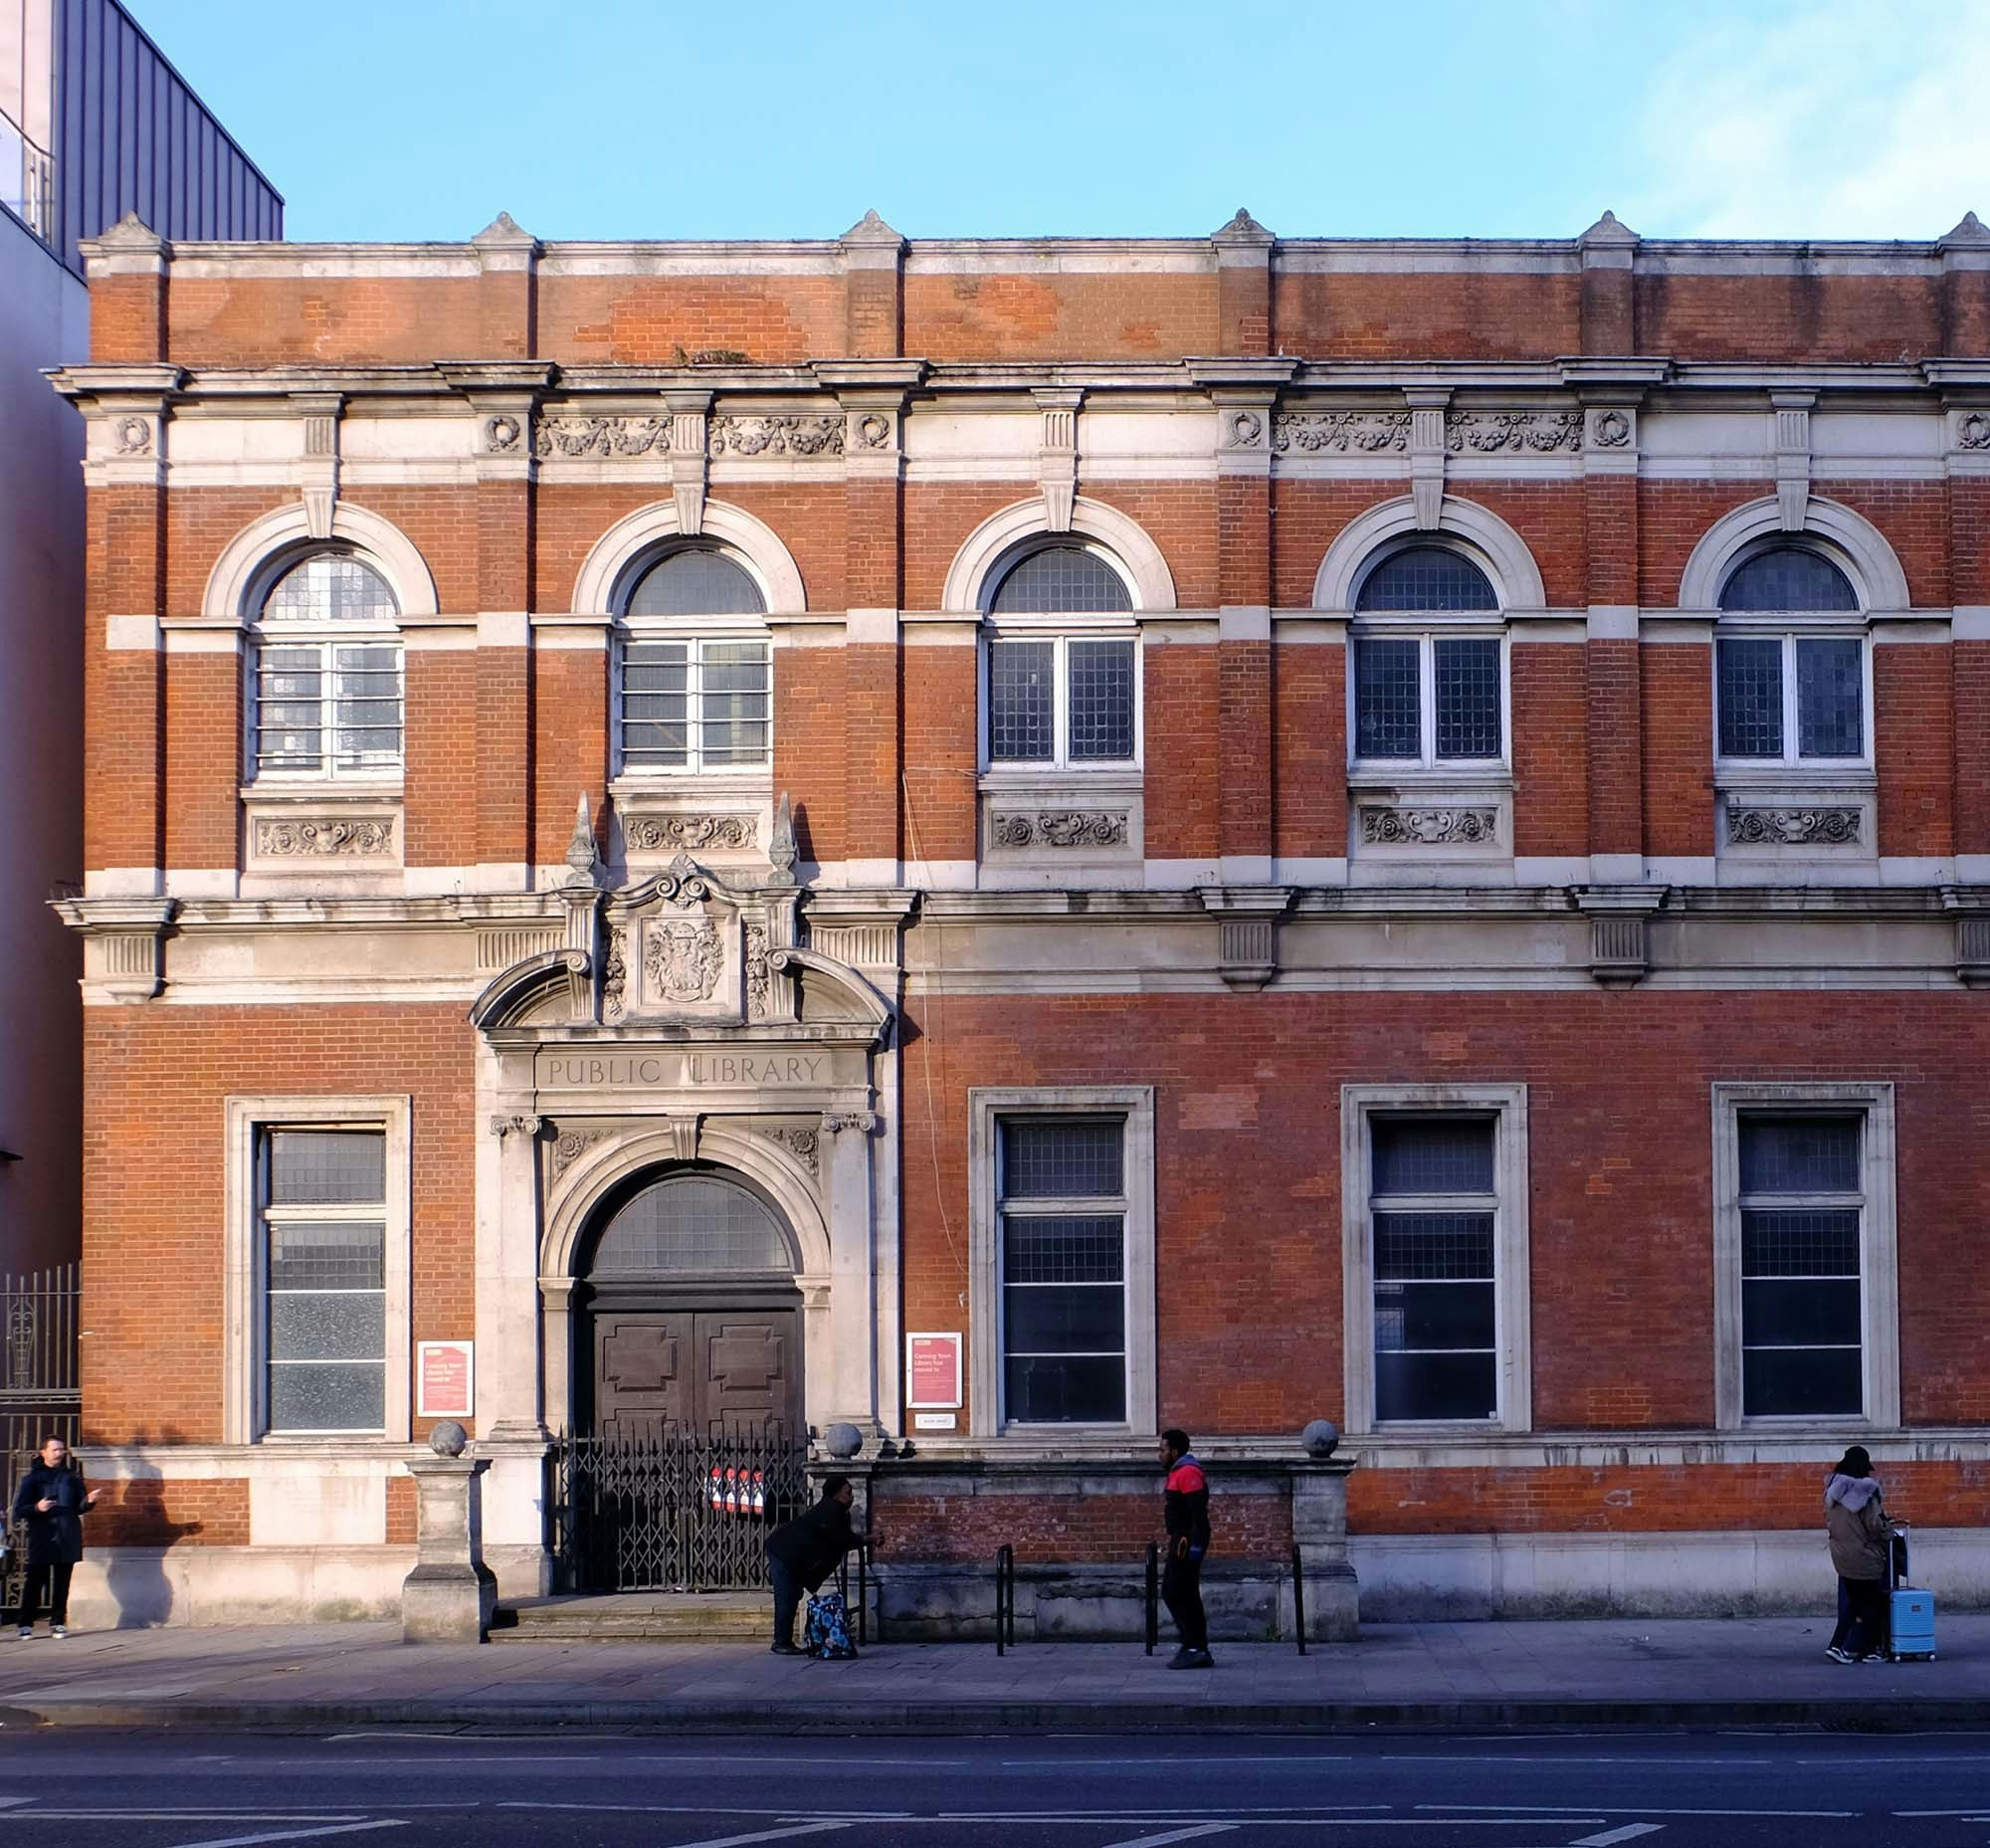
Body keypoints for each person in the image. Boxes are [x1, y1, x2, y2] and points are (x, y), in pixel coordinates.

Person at [11, 1436, 100, 1639]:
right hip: (43, 1536)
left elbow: (79, 1507)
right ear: (43, 1452)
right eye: (55, 1450)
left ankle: (58, 1621)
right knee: (35, 1581)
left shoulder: (71, 1477)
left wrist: (89, 1501)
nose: (59, 1453)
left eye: (61, 1449)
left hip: (67, 1535)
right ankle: (26, 1623)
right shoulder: (32, 1478)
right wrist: (37, 1507)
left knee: (62, 1582)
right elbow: (20, 1509)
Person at [762, 1475, 857, 1656]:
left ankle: (784, 1640)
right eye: (848, 1493)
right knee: (787, 1597)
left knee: (792, 1595)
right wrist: (867, 1539)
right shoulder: (830, 1511)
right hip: (783, 1551)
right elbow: (841, 1539)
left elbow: (842, 1538)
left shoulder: (835, 1511)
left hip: (792, 1555)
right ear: (836, 1495)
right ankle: (781, 1642)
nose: (851, 1497)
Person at [1824, 1444, 1890, 1664]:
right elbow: (1875, 1527)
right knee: (1870, 1602)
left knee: (1858, 1601)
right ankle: (1861, 1649)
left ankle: (1844, 1646)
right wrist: (1889, 1529)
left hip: (1841, 1555)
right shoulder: (1866, 1493)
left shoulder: (1832, 1492)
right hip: (1863, 1555)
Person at [1159, 1427, 1212, 1669]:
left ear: (1175, 1451)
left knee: (1176, 1591)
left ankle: (1193, 1646)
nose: (1160, 1454)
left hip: (1185, 1541)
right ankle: (1196, 1646)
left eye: (1163, 1449)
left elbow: (1198, 1516)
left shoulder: (1188, 1472)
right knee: (1184, 1592)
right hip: (1181, 1539)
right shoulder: (1179, 1472)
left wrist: (1195, 1548)